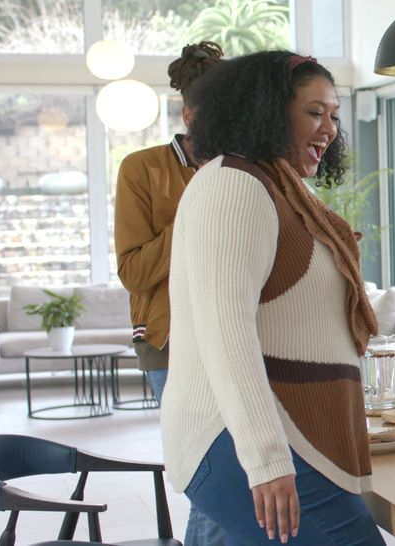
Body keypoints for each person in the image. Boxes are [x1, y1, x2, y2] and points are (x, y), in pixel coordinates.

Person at [161, 50, 384, 545]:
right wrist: (265, 460)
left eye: (333, 115)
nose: (328, 129)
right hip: (238, 438)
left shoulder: (279, 189)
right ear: (265, 111)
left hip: (288, 432)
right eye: (313, 112)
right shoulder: (233, 185)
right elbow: (226, 332)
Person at [113, 40, 228, 545]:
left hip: (241, 339)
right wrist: (198, 206)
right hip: (170, 345)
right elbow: (134, 272)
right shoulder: (142, 169)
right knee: (213, 472)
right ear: (189, 114)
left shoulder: (248, 169)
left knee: (243, 471)